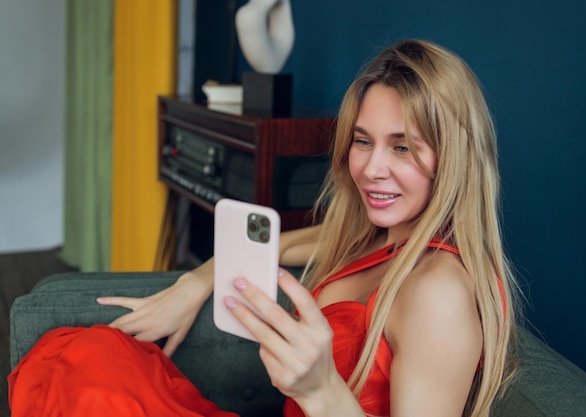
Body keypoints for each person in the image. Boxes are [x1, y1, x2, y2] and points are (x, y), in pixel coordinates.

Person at [9, 39, 518, 417]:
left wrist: (321, 391)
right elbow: (294, 242)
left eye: (402, 147)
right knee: (88, 360)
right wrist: (196, 281)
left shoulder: (438, 292)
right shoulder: (376, 235)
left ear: (454, 157)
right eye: (363, 141)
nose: (370, 168)